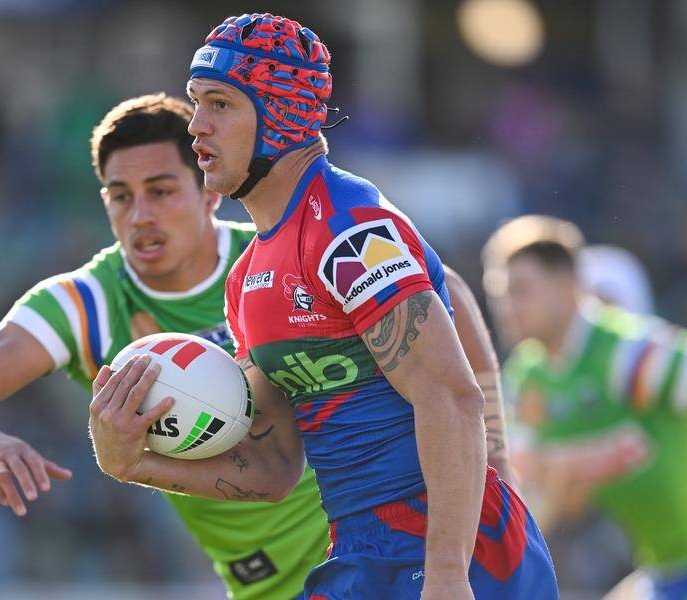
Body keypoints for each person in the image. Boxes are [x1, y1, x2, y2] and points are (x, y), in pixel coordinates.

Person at [0, 93, 513, 600]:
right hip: (264, 582)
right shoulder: (85, 305)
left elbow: (446, 292)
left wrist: (497, 461)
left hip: (386, 549)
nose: (140, 214)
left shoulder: (282, 255)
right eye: (120, 196)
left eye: (162, 190)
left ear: (209, 191)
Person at [89, 14, 557, 599]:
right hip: (360, 550)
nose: (198, 128)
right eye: (195, 102)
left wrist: (446, 574)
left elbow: (450, 395)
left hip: (449, 547)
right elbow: (275, 468)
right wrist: (131, 463)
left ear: (278, 114)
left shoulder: (347, 228)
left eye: (220, 104)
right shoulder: (246, 279)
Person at [482, 214, 687, 600]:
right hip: (663, 568)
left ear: (567, 286)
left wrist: (560, 464)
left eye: (521, 290)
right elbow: (535, 503)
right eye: (499, 293)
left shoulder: (625, 353)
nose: (507, 306)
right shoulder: (528, 379)